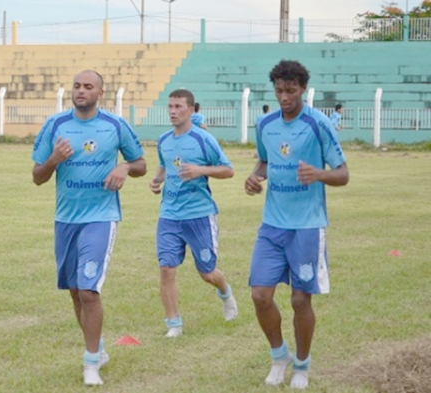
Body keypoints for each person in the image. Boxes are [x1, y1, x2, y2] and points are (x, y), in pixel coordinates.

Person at [32, 70, 146, 386]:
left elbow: (140, 164)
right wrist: (54, 158)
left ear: (101, 92)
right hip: (66, 219)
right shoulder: (55, 126)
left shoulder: (114, 125)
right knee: (74, 291)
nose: (81, 91)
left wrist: (123, 166)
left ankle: (90, 363)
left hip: (101, 216)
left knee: (88, 290)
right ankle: (99, 348)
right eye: (77, 86)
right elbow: (37, 175)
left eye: (88, 87)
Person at [244, 60, 349, 389]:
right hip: (272, 224)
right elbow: (265, 160)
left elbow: (342, 173)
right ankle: (280, 356)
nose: (284, 96)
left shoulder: (319, 124)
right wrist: (255, 176)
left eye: (290, 90)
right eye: (278, 90)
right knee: (260, 296)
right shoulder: (265, 124)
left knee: (300, 300)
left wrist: (319, 174)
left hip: (307, 225)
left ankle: (302, 365)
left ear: (303, 88)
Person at [149, 88, 238, 339]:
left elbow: (228, 170)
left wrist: (200, 170)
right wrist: (157, 180)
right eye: (170, 107)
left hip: (199, 214)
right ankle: (174, 324)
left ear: (190, 109)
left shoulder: (203, 139)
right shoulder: (164, 140)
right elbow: (165, 165)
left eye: (178, 107)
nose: (173, 111)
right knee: (166, 269)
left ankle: (225, 293)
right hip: (169, 215)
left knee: (207, 273)